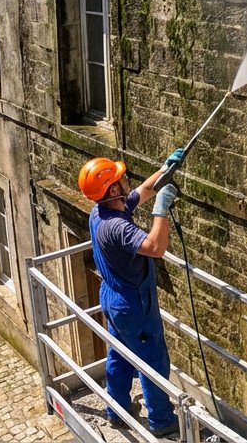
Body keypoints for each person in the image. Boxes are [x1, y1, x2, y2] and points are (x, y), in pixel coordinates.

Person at [78, 148, 186, 437]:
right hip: (134, 305)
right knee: (152, 360)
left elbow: (144, 190)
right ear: (113, 188)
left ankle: (117, 409)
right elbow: (155, 248)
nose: (127, 180)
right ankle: (162, 421)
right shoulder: (116, 226)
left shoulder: (102, 211)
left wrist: (166, 170)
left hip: (113, 297)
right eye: (121, 178)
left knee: (120, 354)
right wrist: (161, 210)